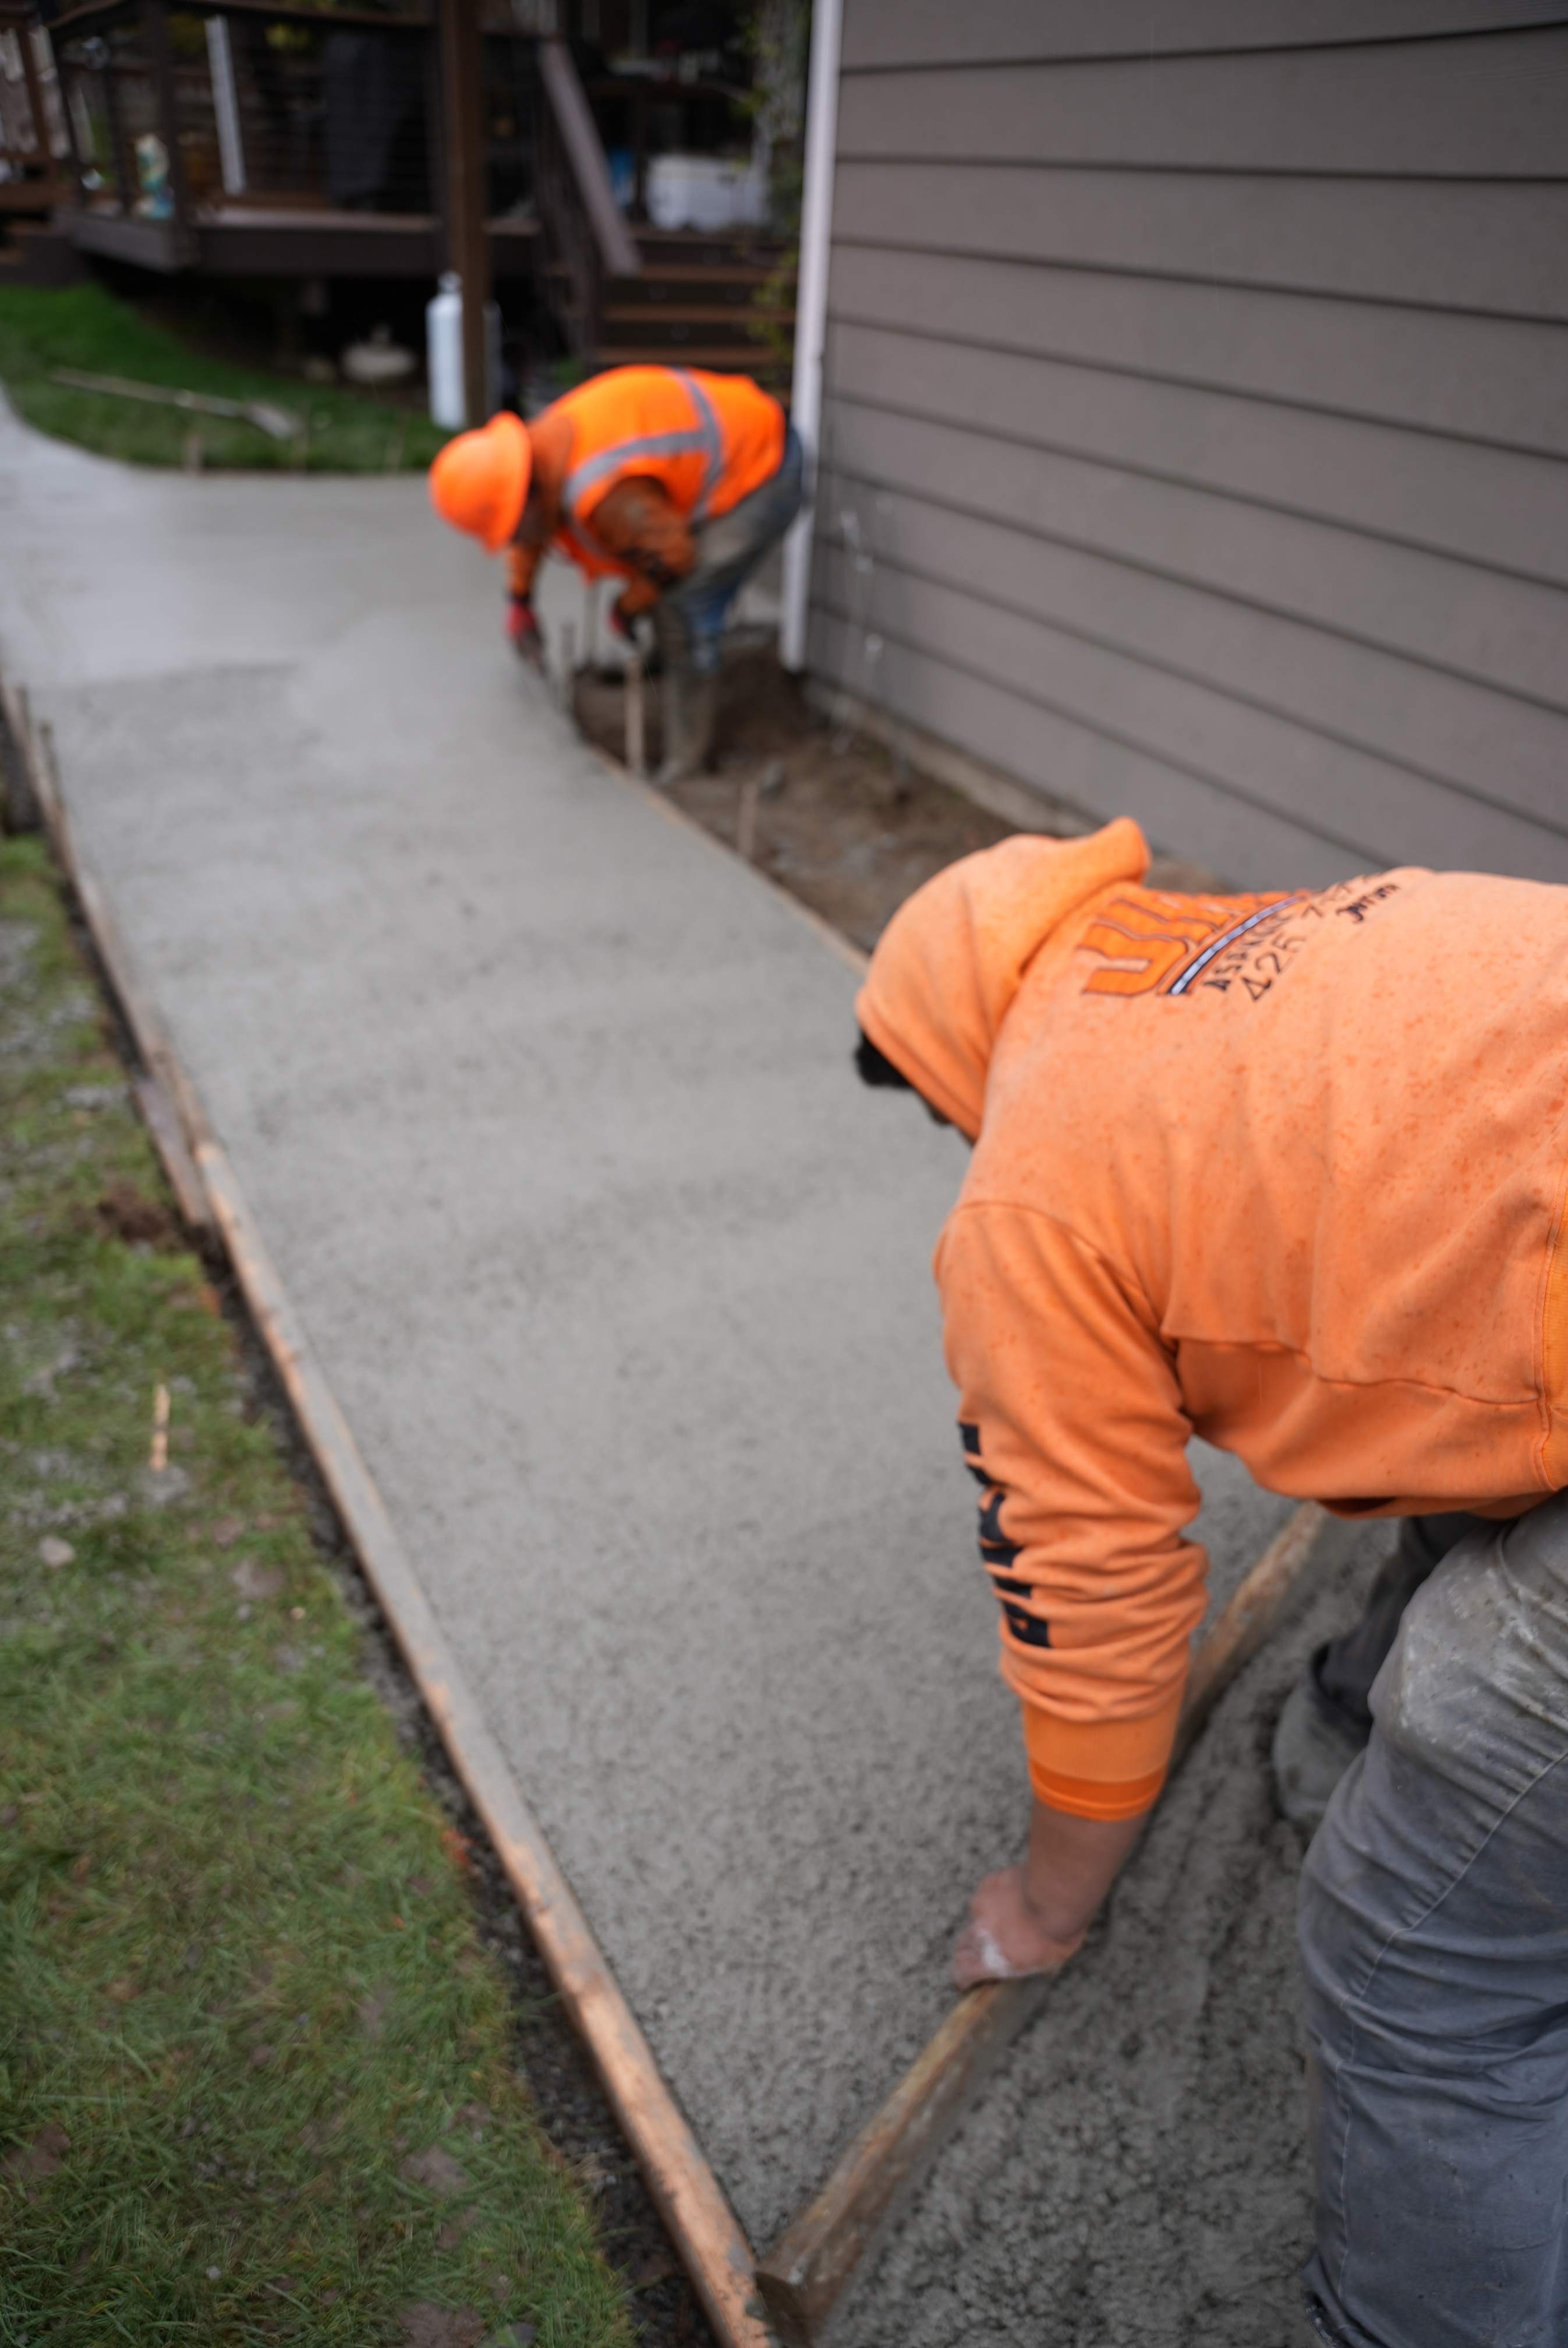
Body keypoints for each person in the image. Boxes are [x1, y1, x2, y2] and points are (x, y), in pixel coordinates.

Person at [853, 817, 1568, 2348]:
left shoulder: (1025, 1197)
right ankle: (1338, 1732)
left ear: (936, 1059)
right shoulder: (1243, 937)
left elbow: (1092, 1612)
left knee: (1415, 1965)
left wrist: (1045, 1909)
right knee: (1475, 1429)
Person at [427, 363, 804, 784]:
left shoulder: (604, 492)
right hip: (721, 443)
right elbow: (531, 530)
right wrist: (520, 599)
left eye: (512, 528)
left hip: (763, 463)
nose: (516, 539)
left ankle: (688, 761)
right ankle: (664, 668)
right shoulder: (540, 450)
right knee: (660, 586)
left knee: (686, 601)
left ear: (525, 494)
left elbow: (673, 557)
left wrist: (627, 607)